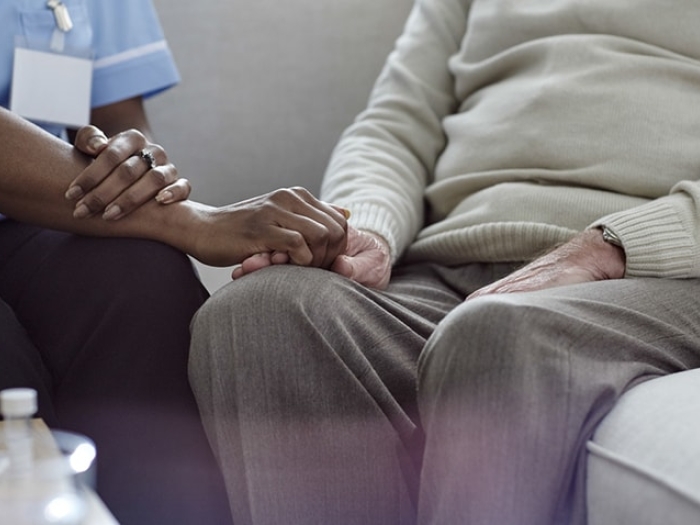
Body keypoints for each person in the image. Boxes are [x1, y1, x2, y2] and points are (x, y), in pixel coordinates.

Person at [187, 1, 700, 524]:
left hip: (659, 273)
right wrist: (366, 229)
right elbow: (394, 125)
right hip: (448, 260)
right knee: (261, 313)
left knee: (496, 339)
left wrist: (615, 245)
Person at [0, 2, 346, 525]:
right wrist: (192, 223)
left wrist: (135, 167)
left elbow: (117, 123)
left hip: (35, 216)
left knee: (143, 279)